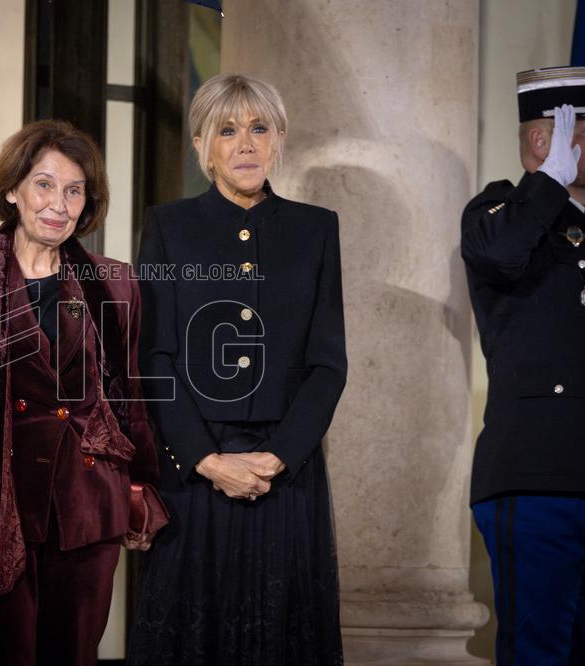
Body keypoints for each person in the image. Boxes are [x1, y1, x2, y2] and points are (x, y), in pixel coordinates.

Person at [128, 73, 347, 665]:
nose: (245, 143)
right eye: (228, 130)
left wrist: (279, 456)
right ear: (203, 144)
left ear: (278, 140)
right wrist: (205, 459)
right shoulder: (169, 228)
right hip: (197, 477)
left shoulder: (316, 229)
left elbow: (329, 364)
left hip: (286, 477)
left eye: (259, 128)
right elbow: (156, 359)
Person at [0, 119, 165, 666]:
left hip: (85, 509)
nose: (58, 203)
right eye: (43, 184)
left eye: (74, 190)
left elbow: (130, 397)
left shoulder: (116, 282)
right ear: (12, 190)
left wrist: (141, 489)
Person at [462, 67, 585, 665]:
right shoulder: (498, 212)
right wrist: (551, 188)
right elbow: (502, 256)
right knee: (538, 652)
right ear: (548, 140)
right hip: (536, 476)